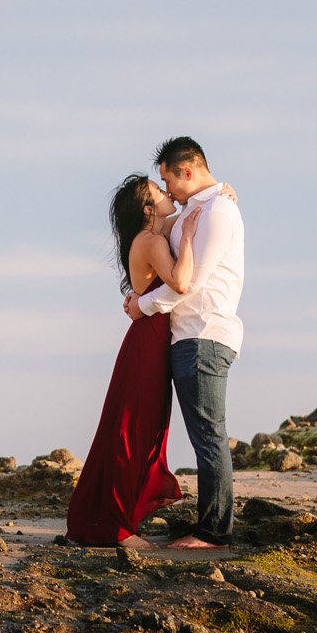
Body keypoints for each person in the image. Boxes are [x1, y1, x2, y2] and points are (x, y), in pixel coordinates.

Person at [64, 173, 215, 548]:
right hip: (148, 343)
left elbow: (181, 216)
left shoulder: (154, 235)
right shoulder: (149, 241)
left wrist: (220, 193)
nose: (168, 193)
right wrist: (193, 239)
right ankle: (117, 527)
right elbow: (181, 283)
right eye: (159, 191)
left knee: (142, 432)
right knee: (131, 434)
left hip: (152, 340)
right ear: (148, 210)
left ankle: (121, 518)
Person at [126, 136, 245, 551]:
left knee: (209, 435)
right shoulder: (200, 208)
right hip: (188, 337)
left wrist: (142, 304)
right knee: (203, 435)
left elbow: (188, 285)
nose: (166, 190)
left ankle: (214, 533)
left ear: (187, 172)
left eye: (166, 180)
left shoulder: (217, 211)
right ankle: (211, 526)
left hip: (203, 335)